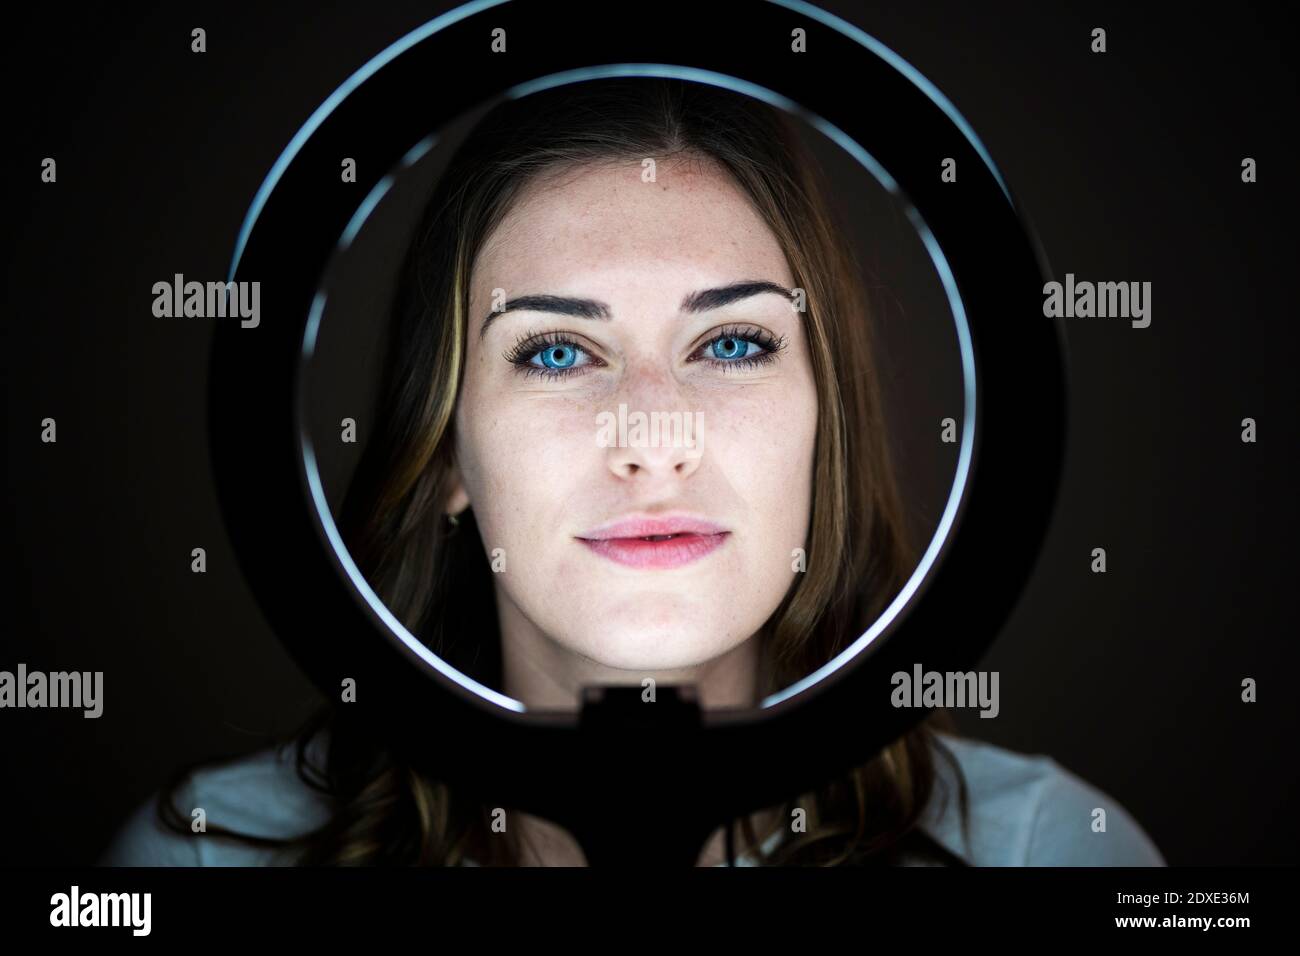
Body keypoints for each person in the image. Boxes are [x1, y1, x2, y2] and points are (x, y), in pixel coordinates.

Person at [100, 77, 1164, 867]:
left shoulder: (1050, 852)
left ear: (820, 422)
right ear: (447, 455)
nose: (653, 437)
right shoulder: (201, 859)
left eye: (733, 343)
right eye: (556, 351)